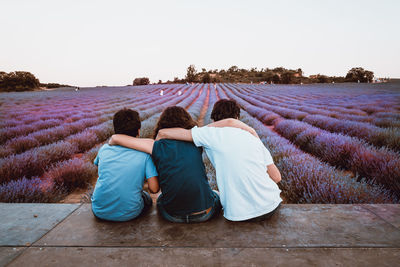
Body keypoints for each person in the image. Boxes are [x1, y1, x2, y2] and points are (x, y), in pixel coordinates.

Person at [156, 99, 282, 222]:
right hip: (271, 205)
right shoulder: (253, 137)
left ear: (213, 119)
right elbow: (276, 178)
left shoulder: (209, 134)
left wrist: (159, 138)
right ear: (237, 118)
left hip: (239, 214)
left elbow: (167, 133)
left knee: (215, 194)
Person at [109, 106, 221, 223]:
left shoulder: (157, 146)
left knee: (160, 198)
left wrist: (114, 138)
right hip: (204, 213)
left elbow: (124, 140)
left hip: (172, 216)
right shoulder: (196, 143)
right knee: (215, 194)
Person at [91, 108, 159, 222]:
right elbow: (154, 189)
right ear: (138, 131)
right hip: (130, 214)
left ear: (115, 129)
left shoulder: (104, 149)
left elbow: (99, 167)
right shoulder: (144, 155)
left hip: (99, 210)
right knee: (146, 198)